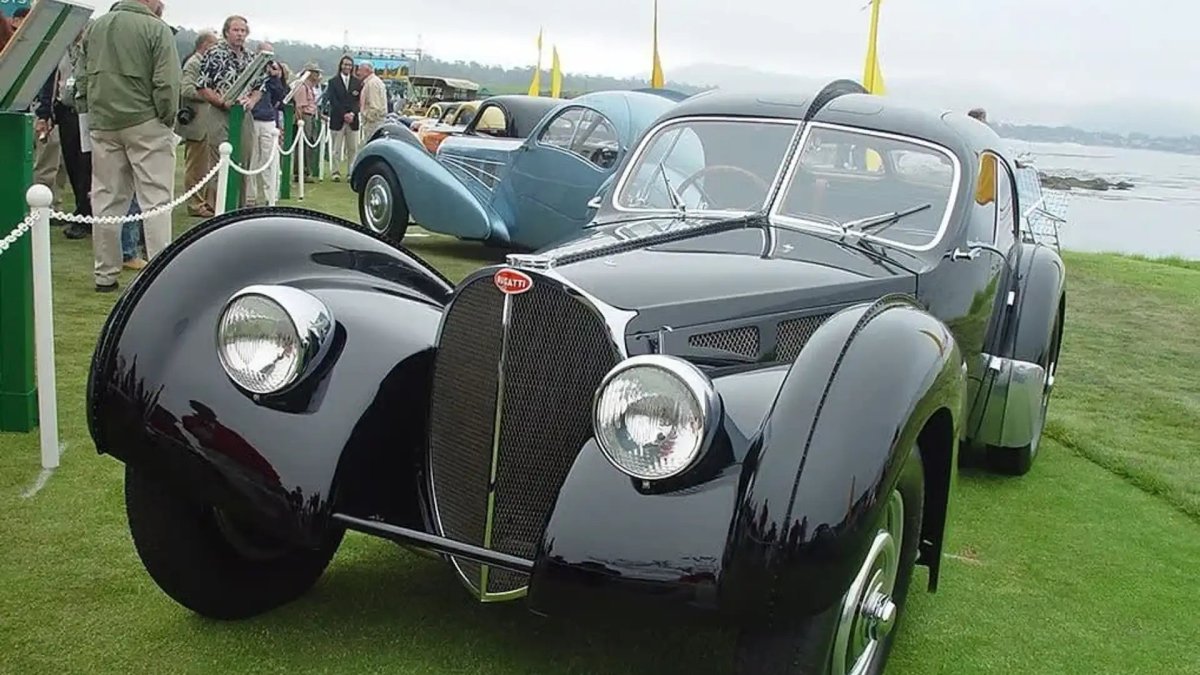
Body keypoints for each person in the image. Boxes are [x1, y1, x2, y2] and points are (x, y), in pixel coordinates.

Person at [75, 0, 181, 293]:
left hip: (103, 121)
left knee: (106, 199)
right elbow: (167, 84)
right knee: (156, 199)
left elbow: (81, 78)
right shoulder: (156, 29)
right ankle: (161, 275)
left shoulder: (95, 27)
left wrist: (89, 113)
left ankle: (104, 274)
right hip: (146, 121)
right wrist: (167, 120)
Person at [196, 15, 264, 208]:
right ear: (226, 32)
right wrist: (222, 102)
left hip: (244, 115)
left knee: (243, 161)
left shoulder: (252, 58)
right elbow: (202, 86)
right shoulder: (214, 53)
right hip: (220, 114)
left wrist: (252, 100)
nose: (240, 34)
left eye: (243, 31)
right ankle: (219, 208)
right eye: (236, 30)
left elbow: (260, 86)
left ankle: (239, 208)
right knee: (221, 162)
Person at [35, 21, 93, 237]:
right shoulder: (60, 50)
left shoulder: (90, 46)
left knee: (87, 166)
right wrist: (45, 113)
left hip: (86, 113)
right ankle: (81, 213)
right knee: (72, 165)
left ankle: (89, 214)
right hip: (66, 112)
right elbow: (49, 82)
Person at [176, 30, 218, 216]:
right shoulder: (193, 63)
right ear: (205, 45)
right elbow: (185, 89)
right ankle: (194, 204)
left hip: (208, 123)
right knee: (195, 167)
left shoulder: (206, 63)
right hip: (197, 122)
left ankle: (206, 202)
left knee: (207, 166)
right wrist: (209, 95)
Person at [247, 47, 287, 206]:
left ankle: (271, 195)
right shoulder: (250, 70)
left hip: (268, 120)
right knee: (251, 160)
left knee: (269, 160)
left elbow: (279, 96)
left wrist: (276, 77)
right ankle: (250, 197)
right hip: (251, 119)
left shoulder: (271, 77)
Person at [324, 55, 360, 182]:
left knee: (353, 148)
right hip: (337, 119)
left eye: (349, 65)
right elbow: (333, 100)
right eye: (345, 64)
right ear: (341, 65)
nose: (347, 67)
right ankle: (335, 171)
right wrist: (344, 114)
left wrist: (352, 114)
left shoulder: (357, 82)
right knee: (336, 148)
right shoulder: (333, 82)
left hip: (353, 120)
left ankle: (351, 172)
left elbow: (358, 102)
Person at [291, 62, 321, 182]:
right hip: (305, 117)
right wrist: (301, 122)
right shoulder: (302, 86)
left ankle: (306, 171)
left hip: (311, 116)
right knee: (303, 145)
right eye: (315, 72)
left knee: (309, 144)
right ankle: (300, 172)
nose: (318, 75)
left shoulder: (309, 87)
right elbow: (299, 107)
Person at [356, 62, 387, 141]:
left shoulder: (372, 84)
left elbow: (375, 108)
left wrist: (365, 114)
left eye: (359, 70)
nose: (357, 73)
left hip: (373, 124)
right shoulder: (374, 82)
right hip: (376, 123)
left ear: (367, 71)